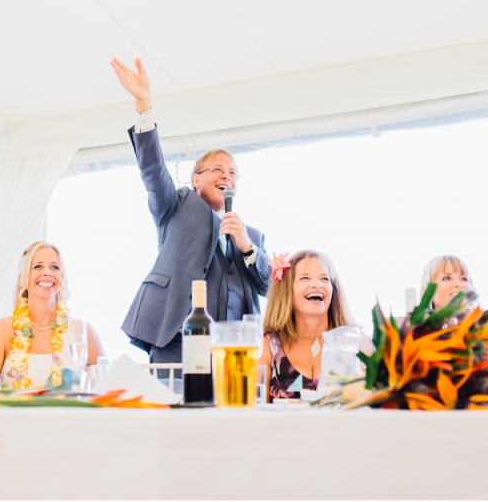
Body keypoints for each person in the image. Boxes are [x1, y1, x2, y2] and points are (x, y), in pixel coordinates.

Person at [111, 57, 272, 367]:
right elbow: (154, 173)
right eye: (217, 169)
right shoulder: (178, 204)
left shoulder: (252, 236)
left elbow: (270, 287)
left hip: (233, 352)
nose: (227, 176)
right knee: (170, 414)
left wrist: (247, 248)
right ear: (196, 179)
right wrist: (144, 105)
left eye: (233, 172)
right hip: (176, 341)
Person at [0, 241, 105, 388]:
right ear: (24, 277)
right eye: (38, 266)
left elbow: (108, 388)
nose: (47, 272)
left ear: (62, 277)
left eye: (55, 267)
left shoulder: (81, 331)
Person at [259, 250, 355, 400]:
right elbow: (253, 413)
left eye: (324, 279)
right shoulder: (267, 346)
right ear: (286, 291)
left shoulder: (353, 343)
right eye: (305, 278)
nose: (317, 284)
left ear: (333, 290)